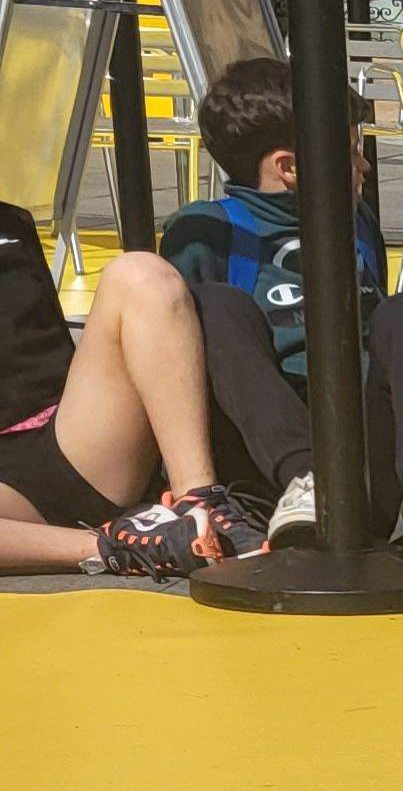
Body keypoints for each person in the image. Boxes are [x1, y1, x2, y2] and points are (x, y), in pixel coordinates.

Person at [161, 56, 403, 555]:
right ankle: (305, 479)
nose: (364, 166)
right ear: (289, 167)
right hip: (264, 473)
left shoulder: (357, 223)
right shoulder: (203, 231)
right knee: (214, 307)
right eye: (352, 152)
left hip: (357, 458)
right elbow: (174, 374)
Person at [0, 203, 258, 576]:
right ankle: (118, 546)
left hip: (64, 439)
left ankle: (198, 501)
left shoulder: (12, 223)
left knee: (140, 273)